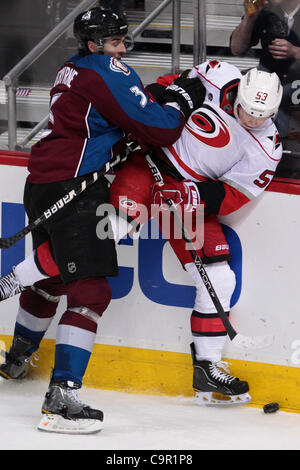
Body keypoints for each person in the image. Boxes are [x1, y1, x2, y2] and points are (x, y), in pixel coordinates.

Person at [0, 60, 283, 408]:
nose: (251, 120)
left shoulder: (268, 147)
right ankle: (13, 280)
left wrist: (192, 195)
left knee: (219, 277)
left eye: (261, 115)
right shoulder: (218, 73)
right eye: (245, 110)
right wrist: (149, 120)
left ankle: (206, 366)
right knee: (103, 235)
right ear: (237, 91)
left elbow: (233, 195)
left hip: (186, 198)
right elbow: (159, 89)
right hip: (145, 168)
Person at [0, 6, 204, 434]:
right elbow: (159, 127)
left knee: (57, 278)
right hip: (76, 188)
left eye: (123, 39)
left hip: (43, 183)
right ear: (95, 45)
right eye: (115, 41)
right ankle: (61, 399)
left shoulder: (70, 69)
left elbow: (114, 117)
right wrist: (182, 100)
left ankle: (17, 356)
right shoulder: (106, 70)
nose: (123, 48)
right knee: (90, 289)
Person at [230, 0, 300, 140]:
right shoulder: (266, 9)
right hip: (268, 83)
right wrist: (250, 18)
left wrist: (295, 52)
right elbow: (236, 49)